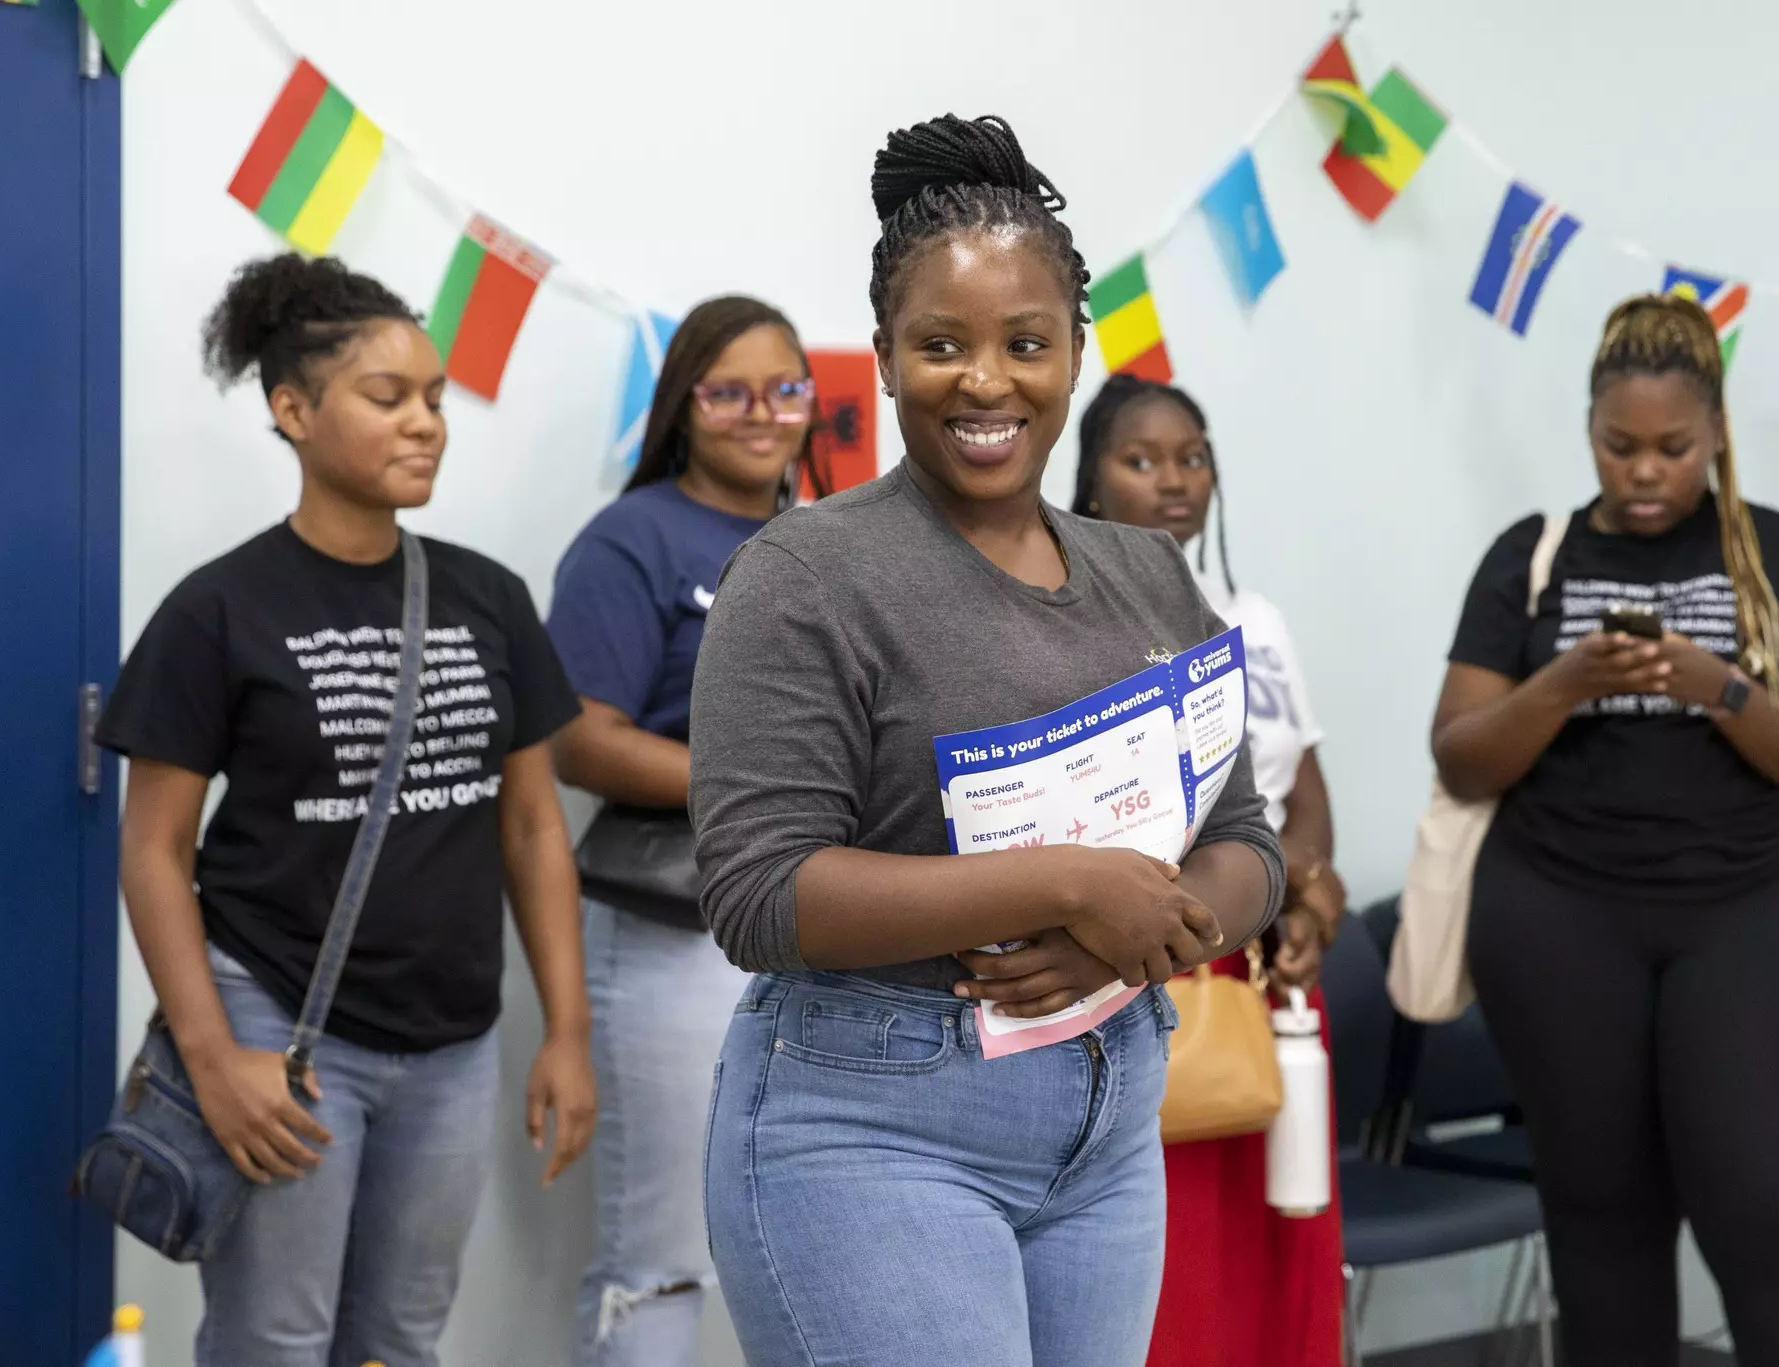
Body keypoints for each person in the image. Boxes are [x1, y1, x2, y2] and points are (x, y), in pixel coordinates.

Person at [688, 114, 1286, 1366]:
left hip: (1112, 1118)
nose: (986, 379)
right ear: (889, 362)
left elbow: (1243, 843)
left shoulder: (1145, 571)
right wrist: (1068, 885)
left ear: (1075, 350)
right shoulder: (803, 573)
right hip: (871, 1124)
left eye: (1025, 343)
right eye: (941, 345)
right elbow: (757, 892)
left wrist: (1132, 937)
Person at [98, 254, 596, 1367]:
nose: (425, 422)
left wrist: (566, 1030)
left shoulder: (487, 597)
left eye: (433, 397)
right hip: (282, 1024)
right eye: (388, 397)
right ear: (294, 409)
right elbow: (152, 850)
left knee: (397, 1342)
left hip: (454, 1040)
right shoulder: (220, 607)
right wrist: (213, 1049)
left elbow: (530, 826)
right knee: (276, 1338)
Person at [1433, 293, 1779, 1367]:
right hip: (1555, 917)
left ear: (1715, 432)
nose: (1642, 471)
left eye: (1672, 447)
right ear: (1588, 428)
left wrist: (1716, 685)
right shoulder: (1528, 556)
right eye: (1616, 444)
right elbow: (1459, 751)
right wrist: (1568, 679)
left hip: (1742, 916)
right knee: (1602, 1222)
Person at [545, 295, 820, 1367]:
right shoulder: (632, 538)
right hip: (675, 930)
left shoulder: (825, 537)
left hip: (821, 931)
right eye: (729, 390)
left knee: (804, 1235)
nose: (761, 412)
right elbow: (580, 739)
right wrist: (751, 787)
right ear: (682, 405)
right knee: (662, 1249)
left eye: (785, 387)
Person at [1072, 371, 1346, 1367]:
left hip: (1269, 972)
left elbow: (1303, 788)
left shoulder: (1254, 616)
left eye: (1190, 457)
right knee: (1175, 1263)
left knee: (1279, 1234)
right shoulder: (1076, 612)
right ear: (1091, 480)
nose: (1172, 480)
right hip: (1154, 963)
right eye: (1140, 460)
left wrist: (1306, 888)